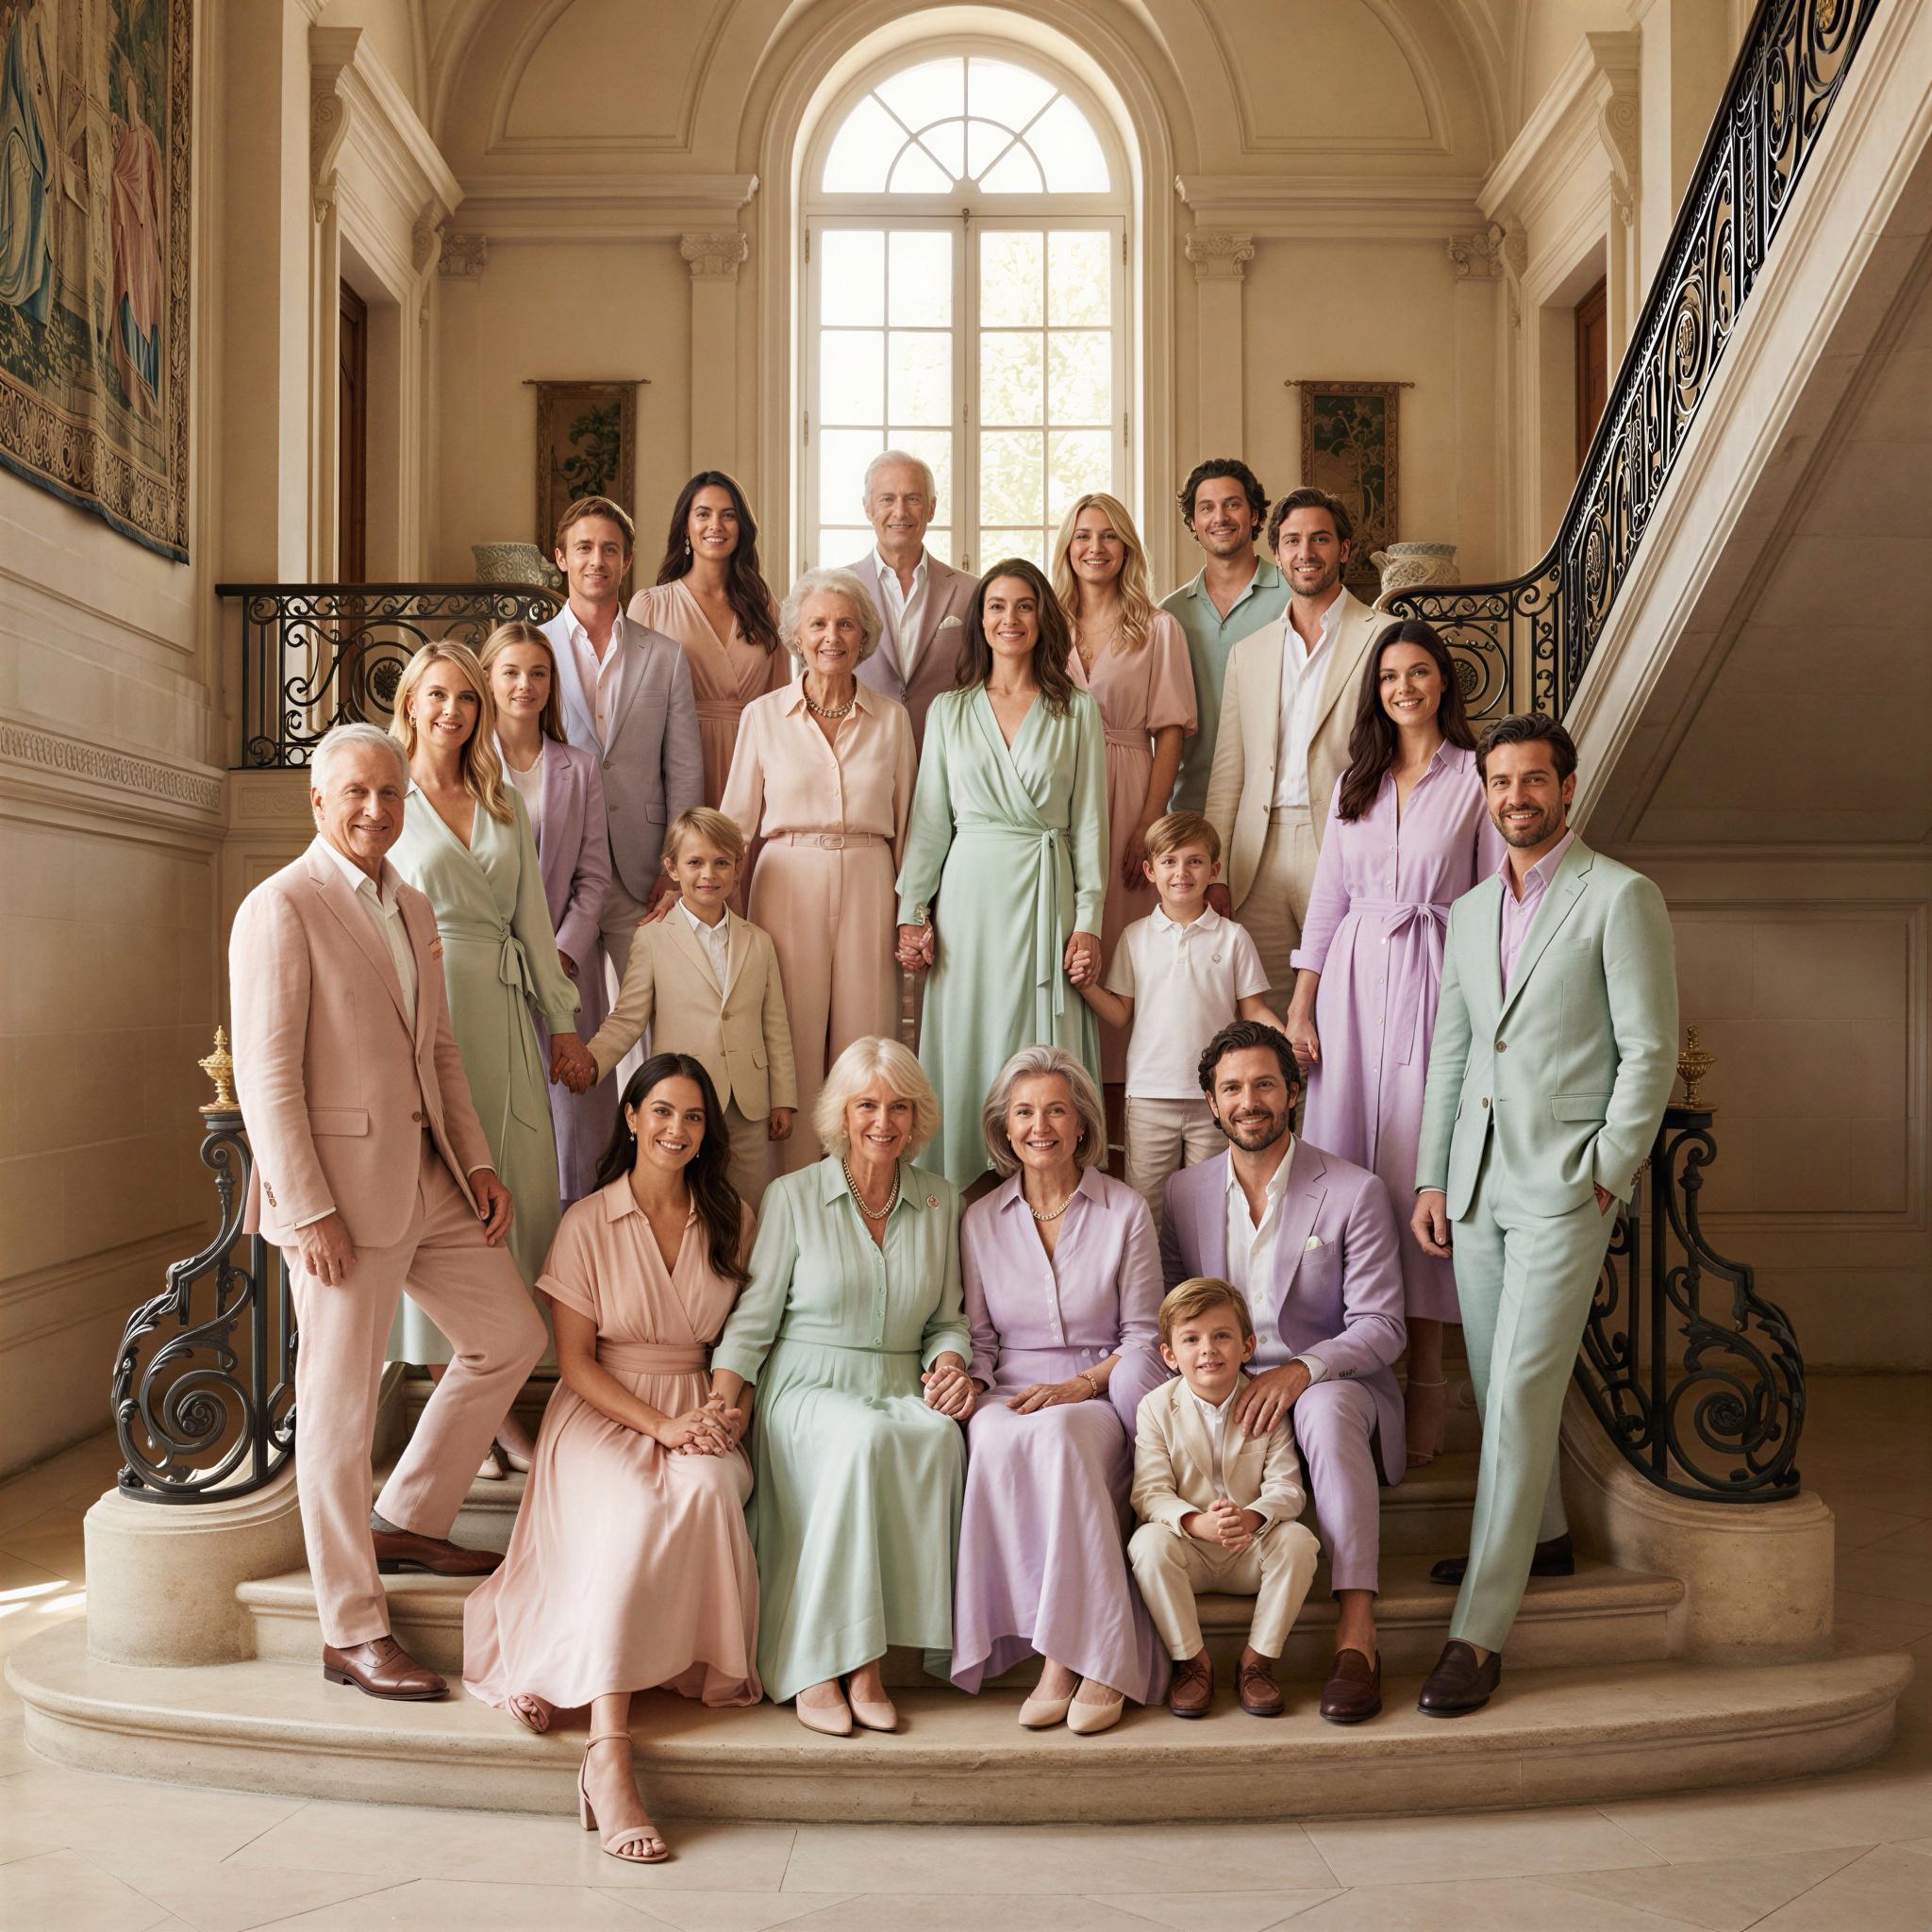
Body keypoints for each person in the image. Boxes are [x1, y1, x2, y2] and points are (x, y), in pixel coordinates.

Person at [228, 724, 545, 1700]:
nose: (376, 809)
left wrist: (479, 1160)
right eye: (356, 793)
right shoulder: (280, 905)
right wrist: (307, 1203)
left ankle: (406, 1510)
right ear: (318, 802)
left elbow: (438, 1053)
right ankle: (350, 1628)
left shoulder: (411, 901)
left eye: (390, 793)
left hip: (431, 1177)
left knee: (509, 1336)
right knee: (336, 1412)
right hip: (338, 1201)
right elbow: (266, 1074)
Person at [1411, 713, 1677, 1717]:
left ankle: (1477, 1633)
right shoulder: (1470, 908)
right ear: (1483, 792)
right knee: (1495, 1382)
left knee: (1520, 1389)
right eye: (1499, 781)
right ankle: (1546, 1536)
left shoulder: (1619, 896)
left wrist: (1606, 1167)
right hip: (1475, 1185)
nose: (1514, 796)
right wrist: (1432, 1175)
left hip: (1565, 1182)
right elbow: (1450, 1051)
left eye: (1532, 780)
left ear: (1565, 788)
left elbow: (1648, 1048)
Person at [462, 1054, 760, 1864]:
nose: (677, 1129)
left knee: (705, 1493)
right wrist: (657, 1431)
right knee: (629, 1510)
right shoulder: (588, 1220)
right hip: (602, 1410)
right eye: (661, 1111)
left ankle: (636, 1662)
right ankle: (609, 1751)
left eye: (693, 1117)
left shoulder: (730, 1214)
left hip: (698, 1404)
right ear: (630, 1118)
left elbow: (748, 1333)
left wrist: (720, 1414)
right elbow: (576, 1363)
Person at [1284, 621, 1505, 1469]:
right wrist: (1302, 1006)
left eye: (1418, 673)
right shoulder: (1358, 780)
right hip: (1349, 986)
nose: (1404, 687)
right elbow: (1327, 901)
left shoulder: (1474, 780)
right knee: (1343, 1166)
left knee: (1424, 1165)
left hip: (1438, 977)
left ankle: (1428, 1372)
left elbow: (1491, 904)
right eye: (1389, 677)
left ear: (1444, 682)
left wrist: (1486, 1018)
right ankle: (1349, 1371)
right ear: (1376, 692)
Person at [708, 1037, 973, 1736]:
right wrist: (724, 1397)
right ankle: (826, 1665)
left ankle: (867, 1656)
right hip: (807, 1382)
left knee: (939, 1438)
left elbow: (947, 1321)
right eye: (866, 1105)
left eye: (897, 1106)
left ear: (917, 1116)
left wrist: (950, 1365)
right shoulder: (792, 1196)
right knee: (860, 1441)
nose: (882, 1121)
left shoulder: (941, 1200)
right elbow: (753, 1321)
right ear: (842, 1113)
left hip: (897, 1380)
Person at [1161, 1021, 1407, 1724]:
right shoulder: (1182, 1194)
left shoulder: (1354, 1191)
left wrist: (1302, 1371)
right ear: (1211, 1104)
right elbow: (1175, 1312)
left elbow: (1383, 1326)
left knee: (1326, 1414)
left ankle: (1357, 1635)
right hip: (1221, 1381)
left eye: (1265, 1084)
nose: (1249, 1101)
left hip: (1332, 1381)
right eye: (1231, 1088)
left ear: (1294, 1092)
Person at [384, 645, 583, 1462]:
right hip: (425, 1011)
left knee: (524, 1199)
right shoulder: (384, 795)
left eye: (467, 697)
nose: (453, 712)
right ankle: (480, 1412)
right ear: (411, 704)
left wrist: (562, 1019)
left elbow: (533, 920)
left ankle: (496, 1381)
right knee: (443, 1202)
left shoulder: (501, 803)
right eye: (437, 695)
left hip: (502, 1015)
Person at [951, 1047, 1168, 1736]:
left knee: (1064, 1438)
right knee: (990, 1437)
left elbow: (1143, 1337)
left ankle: (1078, 1658)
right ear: (1004, 1129)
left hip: (1099, 1390)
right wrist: (968, 1380)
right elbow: (981, 1341)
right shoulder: (980, 1218)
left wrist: (1079, 1384)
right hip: (1009, 1390)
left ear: (1080, 1126)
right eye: (1023, 1112)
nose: (1039, 1125)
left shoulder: (1125, 1209)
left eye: (1055, 1110)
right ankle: (1062, 1649)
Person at [895, 559, 1109, 1188]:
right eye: (995, 606)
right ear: (980, 620)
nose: (1008, 619)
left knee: (1044, 1056)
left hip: (1048, 896)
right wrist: (913, 913)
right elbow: (931, 824)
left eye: (1023, 605)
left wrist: (1089, 922)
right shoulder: (949, 711)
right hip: (970, 901)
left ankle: (1056, 1199)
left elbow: (1091, 827)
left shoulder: (1077, 711)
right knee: (966, 1042)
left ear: (1043, 618)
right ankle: (958, 1198)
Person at [722, 568, 915, 1173]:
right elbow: (735, 824)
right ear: (797, 636)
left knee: (868, 1039)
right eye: (819, 624)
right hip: (785, 877)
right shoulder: (761, 716)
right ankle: (794, 1193)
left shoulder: (893, 719)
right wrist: (709, 915)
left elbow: (910, 824)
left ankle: (865, 1185)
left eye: (846, 624)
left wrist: (912, 913)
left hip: (869, 874)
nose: (832, 636)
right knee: (790, 1038)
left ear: (864, 637)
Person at [1204, 487, 1391, 1003]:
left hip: (1342, 841)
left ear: (1345, 549)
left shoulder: (1387, 638)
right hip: (1254, 856)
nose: (1305, 552)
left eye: (1320, 539)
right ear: (1278, 554)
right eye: (1291, 541)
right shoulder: (1249, 653)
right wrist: (1216, 871)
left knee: (1343, 1001)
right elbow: (1227, 775)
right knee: (1264, 1012)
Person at [559, 808, 795, 1208]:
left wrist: (783, 1098)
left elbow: (775, 1026)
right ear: (672, 867)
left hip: (748, 1103)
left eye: (722, 863)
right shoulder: (651, 939)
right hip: (685, 1101)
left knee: (751, 1206)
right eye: (695, 863)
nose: (709, 874)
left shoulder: (758, 941)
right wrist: (591, 1061)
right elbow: (628, 1017)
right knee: (690, 1203)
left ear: (738, 869)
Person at [1053, 492, 1197, 1089]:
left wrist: (1147, 823)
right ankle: (1062, 1085)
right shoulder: (1044, 621)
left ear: (1127, 548)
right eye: (1083, 535)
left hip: (1130, 779)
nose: (1095, 547)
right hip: (1059, 790)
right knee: (1068, 934)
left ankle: (1121, 1095)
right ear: (1068, 546)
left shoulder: (1158, 626)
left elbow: (1169, 733)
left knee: (1121, 943)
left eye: (1109, 536)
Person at [1077, 810, 1280, 1229]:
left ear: (1214, 870)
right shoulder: (1135, 937)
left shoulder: (1233, 937)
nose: (1181, 872)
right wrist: (1085, 986)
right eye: (1169, 862)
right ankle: (1155, 1296)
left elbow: (1255, 1010)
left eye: (1194, 861)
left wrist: (1294, 1034)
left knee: (1210, 1212)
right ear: (1151, 871)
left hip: (1216, 1100)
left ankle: (1207, 1294)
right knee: (1147, 1211)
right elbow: (1119, 1014)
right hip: (1149, 1097)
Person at [1128, 1279, 1322, 1719]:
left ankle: (1258, 1662)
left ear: (1247, 1346)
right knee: (1146, 1544)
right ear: (1171, 1356)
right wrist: (1196, 1522)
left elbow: (1288, 1489)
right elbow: (1150, 1493)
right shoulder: (1155, 1407)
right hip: (1189, 1552)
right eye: (1191, 1340)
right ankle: (1192, 1664)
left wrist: (1252, 1518)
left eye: (1222, 1336)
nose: (1208, 1350)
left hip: (1248, 1551)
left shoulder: (1265, 1401)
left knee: (1299, 1542)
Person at [540, 494, 704, 981]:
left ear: (627, 561)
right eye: (584, 547)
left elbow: (685, 770)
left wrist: (675, 868)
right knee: (567, 1018)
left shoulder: (666, 656)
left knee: (654, 1014)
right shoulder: (531, 649)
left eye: (610, 549)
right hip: (558, 863)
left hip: (643, 870)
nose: (597, 561)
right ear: (561, 558)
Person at [480, 621, 615, 1208]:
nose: (524, 685)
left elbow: (594, 878)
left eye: (538, 673)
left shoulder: (579, 768)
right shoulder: (466, 767)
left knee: (573, 1122)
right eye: (510, 672)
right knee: (496, 1114)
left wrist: (559, 954)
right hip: (485, 970)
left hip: (563, 970)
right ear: (487, 679)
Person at [628, 471, 786, 814]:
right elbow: (636, 715)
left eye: (728, 515)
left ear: (741, 527)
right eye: (703, 514)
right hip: (679, 764)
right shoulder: (651, 605)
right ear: (686, 526)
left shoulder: (766, 608)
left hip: (755, 764)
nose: (716, 525)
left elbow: (781, 701)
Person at [1160, 459, 1288, 816]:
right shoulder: (1169, 614)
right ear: (1193, 522)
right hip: (1189, 809)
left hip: (1275, 807)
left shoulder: (1294, 600)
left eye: (1232, 504)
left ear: (1256, 515)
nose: (1220, 517)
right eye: (1206, 508)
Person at [847, 450, 978, 747]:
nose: (900, 512)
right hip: (860, 755)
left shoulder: (972, 592)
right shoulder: (837, 591)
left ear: (931, 508)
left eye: (913, 499)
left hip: (946, 756)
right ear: (868, 508)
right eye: (887, 499)